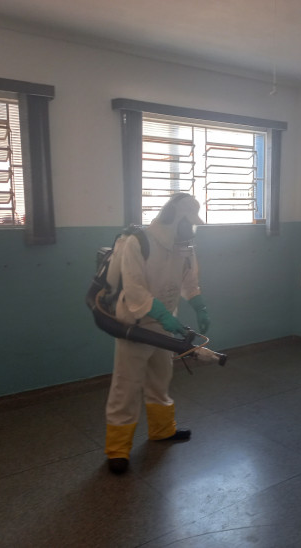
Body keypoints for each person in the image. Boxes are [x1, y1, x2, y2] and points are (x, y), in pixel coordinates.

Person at [105, 193, 210, 475]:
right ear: (174, 219)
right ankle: (118, 449)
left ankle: (162, 430)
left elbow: (189, 280)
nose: (192, 229)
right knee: (126, 386)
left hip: (165, 326)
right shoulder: (138, 242)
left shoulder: (184, 245)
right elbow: (134, 288)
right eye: (189, 223)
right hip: (135, 326)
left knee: (161, 379)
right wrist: (163, 315)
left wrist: (199, 306)